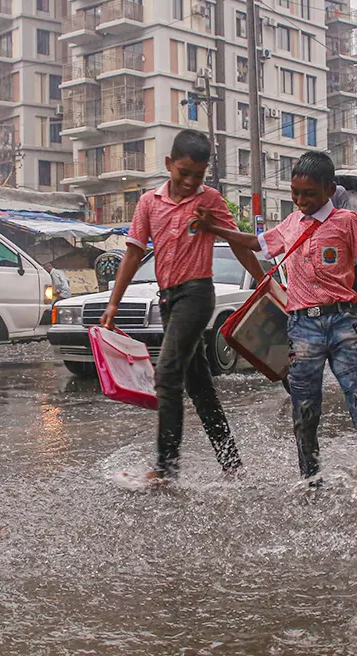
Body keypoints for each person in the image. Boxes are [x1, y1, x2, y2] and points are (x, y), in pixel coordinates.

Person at [196, 151, 357, 482]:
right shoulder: (291, 224)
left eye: (310, 194)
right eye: (296, 193)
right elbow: (254, 242)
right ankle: (310, 477)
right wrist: (214, 228)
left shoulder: (347, 222)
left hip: (343, 323)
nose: (301, 200)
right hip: (302, 328)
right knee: (304, 409)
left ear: (329, 189)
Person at [100, 129, 242, 484]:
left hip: (197, 296)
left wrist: (265, 283)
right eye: (184, 173)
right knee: (199, 386)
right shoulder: (149, 202)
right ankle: (232, 464)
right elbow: (133, 252)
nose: (191, 182)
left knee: (166, 375)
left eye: (199, 175)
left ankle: (165, 468)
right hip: (167, 299)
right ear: (169, 165)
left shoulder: (210, 201)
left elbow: (238, 243)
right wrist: (113, 302)